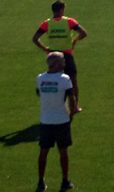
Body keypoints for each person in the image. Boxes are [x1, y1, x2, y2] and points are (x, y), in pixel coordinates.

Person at [33, 0, 88, 113]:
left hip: (52, 55)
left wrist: (45, 49)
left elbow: (35, 38)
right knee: (72, 80)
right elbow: (83, 33)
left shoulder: (46, 23)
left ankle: (54, 105)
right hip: (66, 55)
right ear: (62, 9)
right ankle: (75, 106)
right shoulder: (69, 21)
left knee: (53, 79)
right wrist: (74, 39)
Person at [36, 51, 76, 192]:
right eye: (62, 61)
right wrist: (72, 113)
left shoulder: (40, 78)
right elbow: (71, 98)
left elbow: (39, 93)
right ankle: (64, 181)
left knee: (43, 151)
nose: (64, 63)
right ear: (56, 64)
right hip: (61, 119)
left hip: (45, 120)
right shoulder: (65, 79)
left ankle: (41, 182)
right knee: (63, 151)